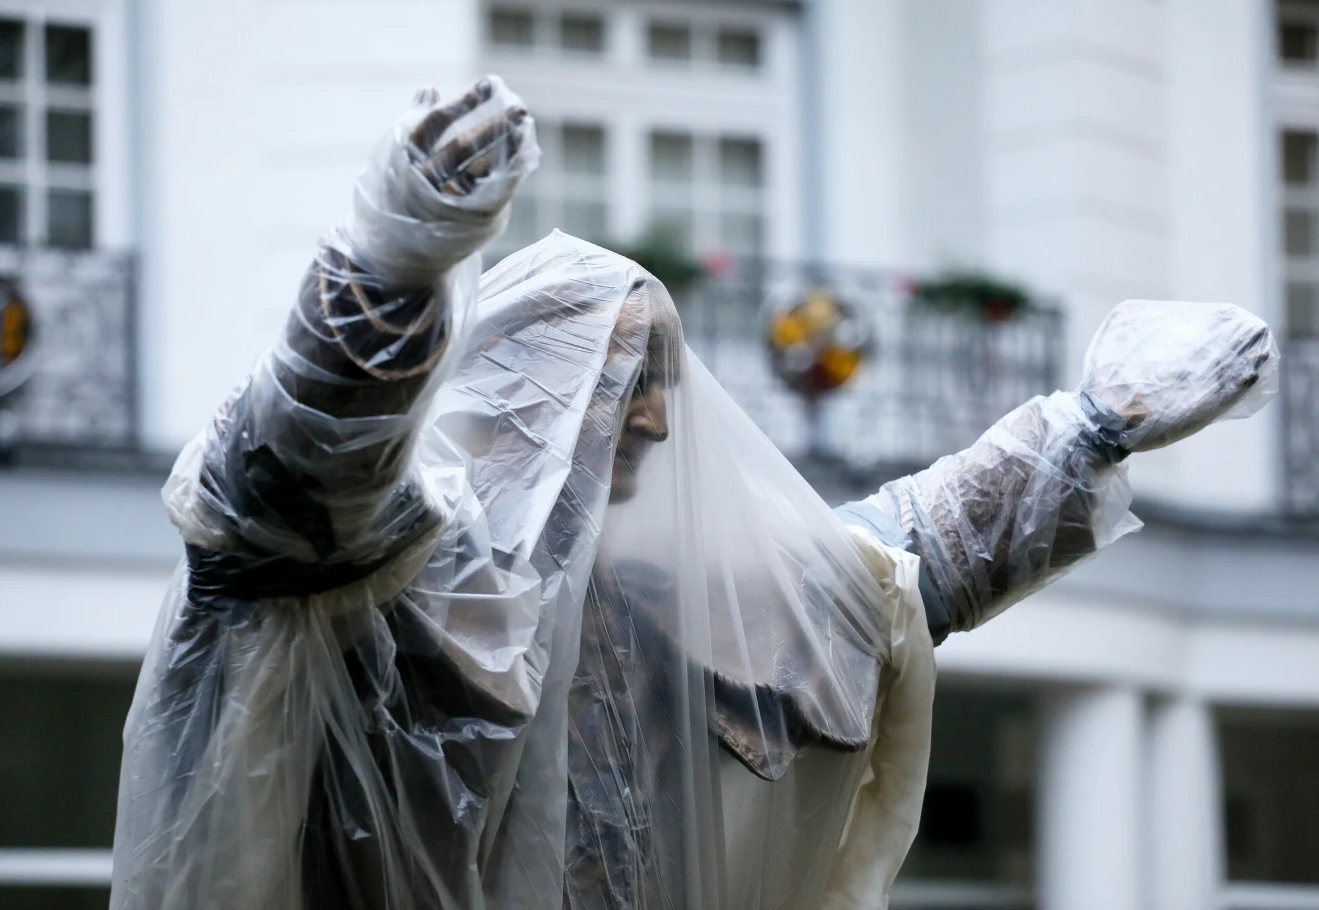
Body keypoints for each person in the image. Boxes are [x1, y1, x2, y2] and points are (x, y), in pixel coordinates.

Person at [110, 77, 1278, 910]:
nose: (660, 418)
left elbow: (889, 568)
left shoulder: (662, 603)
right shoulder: (390, 579)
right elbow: (292, 484)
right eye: (625, 381)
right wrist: (382, 277)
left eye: (665, 378)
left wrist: (1086, 431)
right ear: (522, 385)